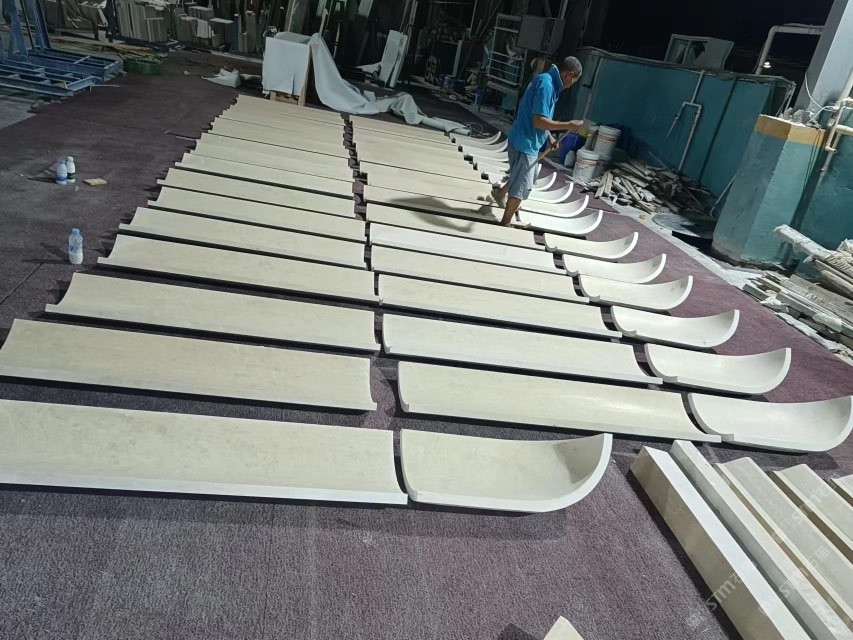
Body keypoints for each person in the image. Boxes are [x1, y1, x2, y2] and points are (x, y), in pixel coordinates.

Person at [491, 57, 584, 226]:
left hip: (523, 138)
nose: (571, 85)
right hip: (525, 144)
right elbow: (538, 121)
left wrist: (549, 137)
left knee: (522, 175)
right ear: (569, 74)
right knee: (522, 186)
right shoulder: (547, 86)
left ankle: (500, 194)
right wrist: (568, 125)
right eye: (573, 81)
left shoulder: (546, 80)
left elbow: (536, 115)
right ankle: (505, 223)